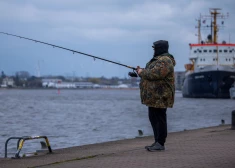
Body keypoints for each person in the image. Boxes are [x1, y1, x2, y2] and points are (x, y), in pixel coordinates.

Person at [136, 40, 176, 151]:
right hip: (154, 97)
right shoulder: (158, 60)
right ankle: (157, 141)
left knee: (159, 119)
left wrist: (141, 72)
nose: (154, 50)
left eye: (155, 48)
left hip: (160, 96)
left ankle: (160, 143)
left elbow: (155, 74)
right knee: (153, 118)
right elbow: (151, 73)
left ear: (160, 48)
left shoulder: (165, 60)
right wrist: (140, 72)